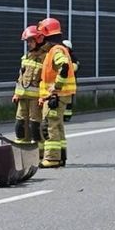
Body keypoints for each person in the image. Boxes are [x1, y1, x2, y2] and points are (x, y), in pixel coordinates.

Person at [36, 17, 76, 168]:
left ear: (47, 36)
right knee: (58, 126)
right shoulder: (57, 50)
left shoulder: (56, 50)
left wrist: (56, 86)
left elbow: (64, 66)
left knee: (49, 125)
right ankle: (60, 157)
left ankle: (52, 158)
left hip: (56, 96)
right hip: (60, 95)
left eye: (41, 37)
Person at [12, 25, 45, 143]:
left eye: (30, 41)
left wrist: (43, 97)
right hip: (22, 98)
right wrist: (16, 94)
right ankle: (22, 151)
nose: (28, 44)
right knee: (20, 125)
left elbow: (45, 80)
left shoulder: (45, 58)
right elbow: (21, 78)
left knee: (35, 126)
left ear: (39, 40)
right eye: (27, 41)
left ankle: (39, 154)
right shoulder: (25, 57)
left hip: (36, 100)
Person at [62, 40, 78, 123]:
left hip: (70, 85)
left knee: (69, 102)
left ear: (68, 48)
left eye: (64, 47)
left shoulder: (73, 57)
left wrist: (65, 67)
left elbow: (75, 67)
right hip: (61, 83)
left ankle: (67, 116)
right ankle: (61, 115)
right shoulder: (60, 56)